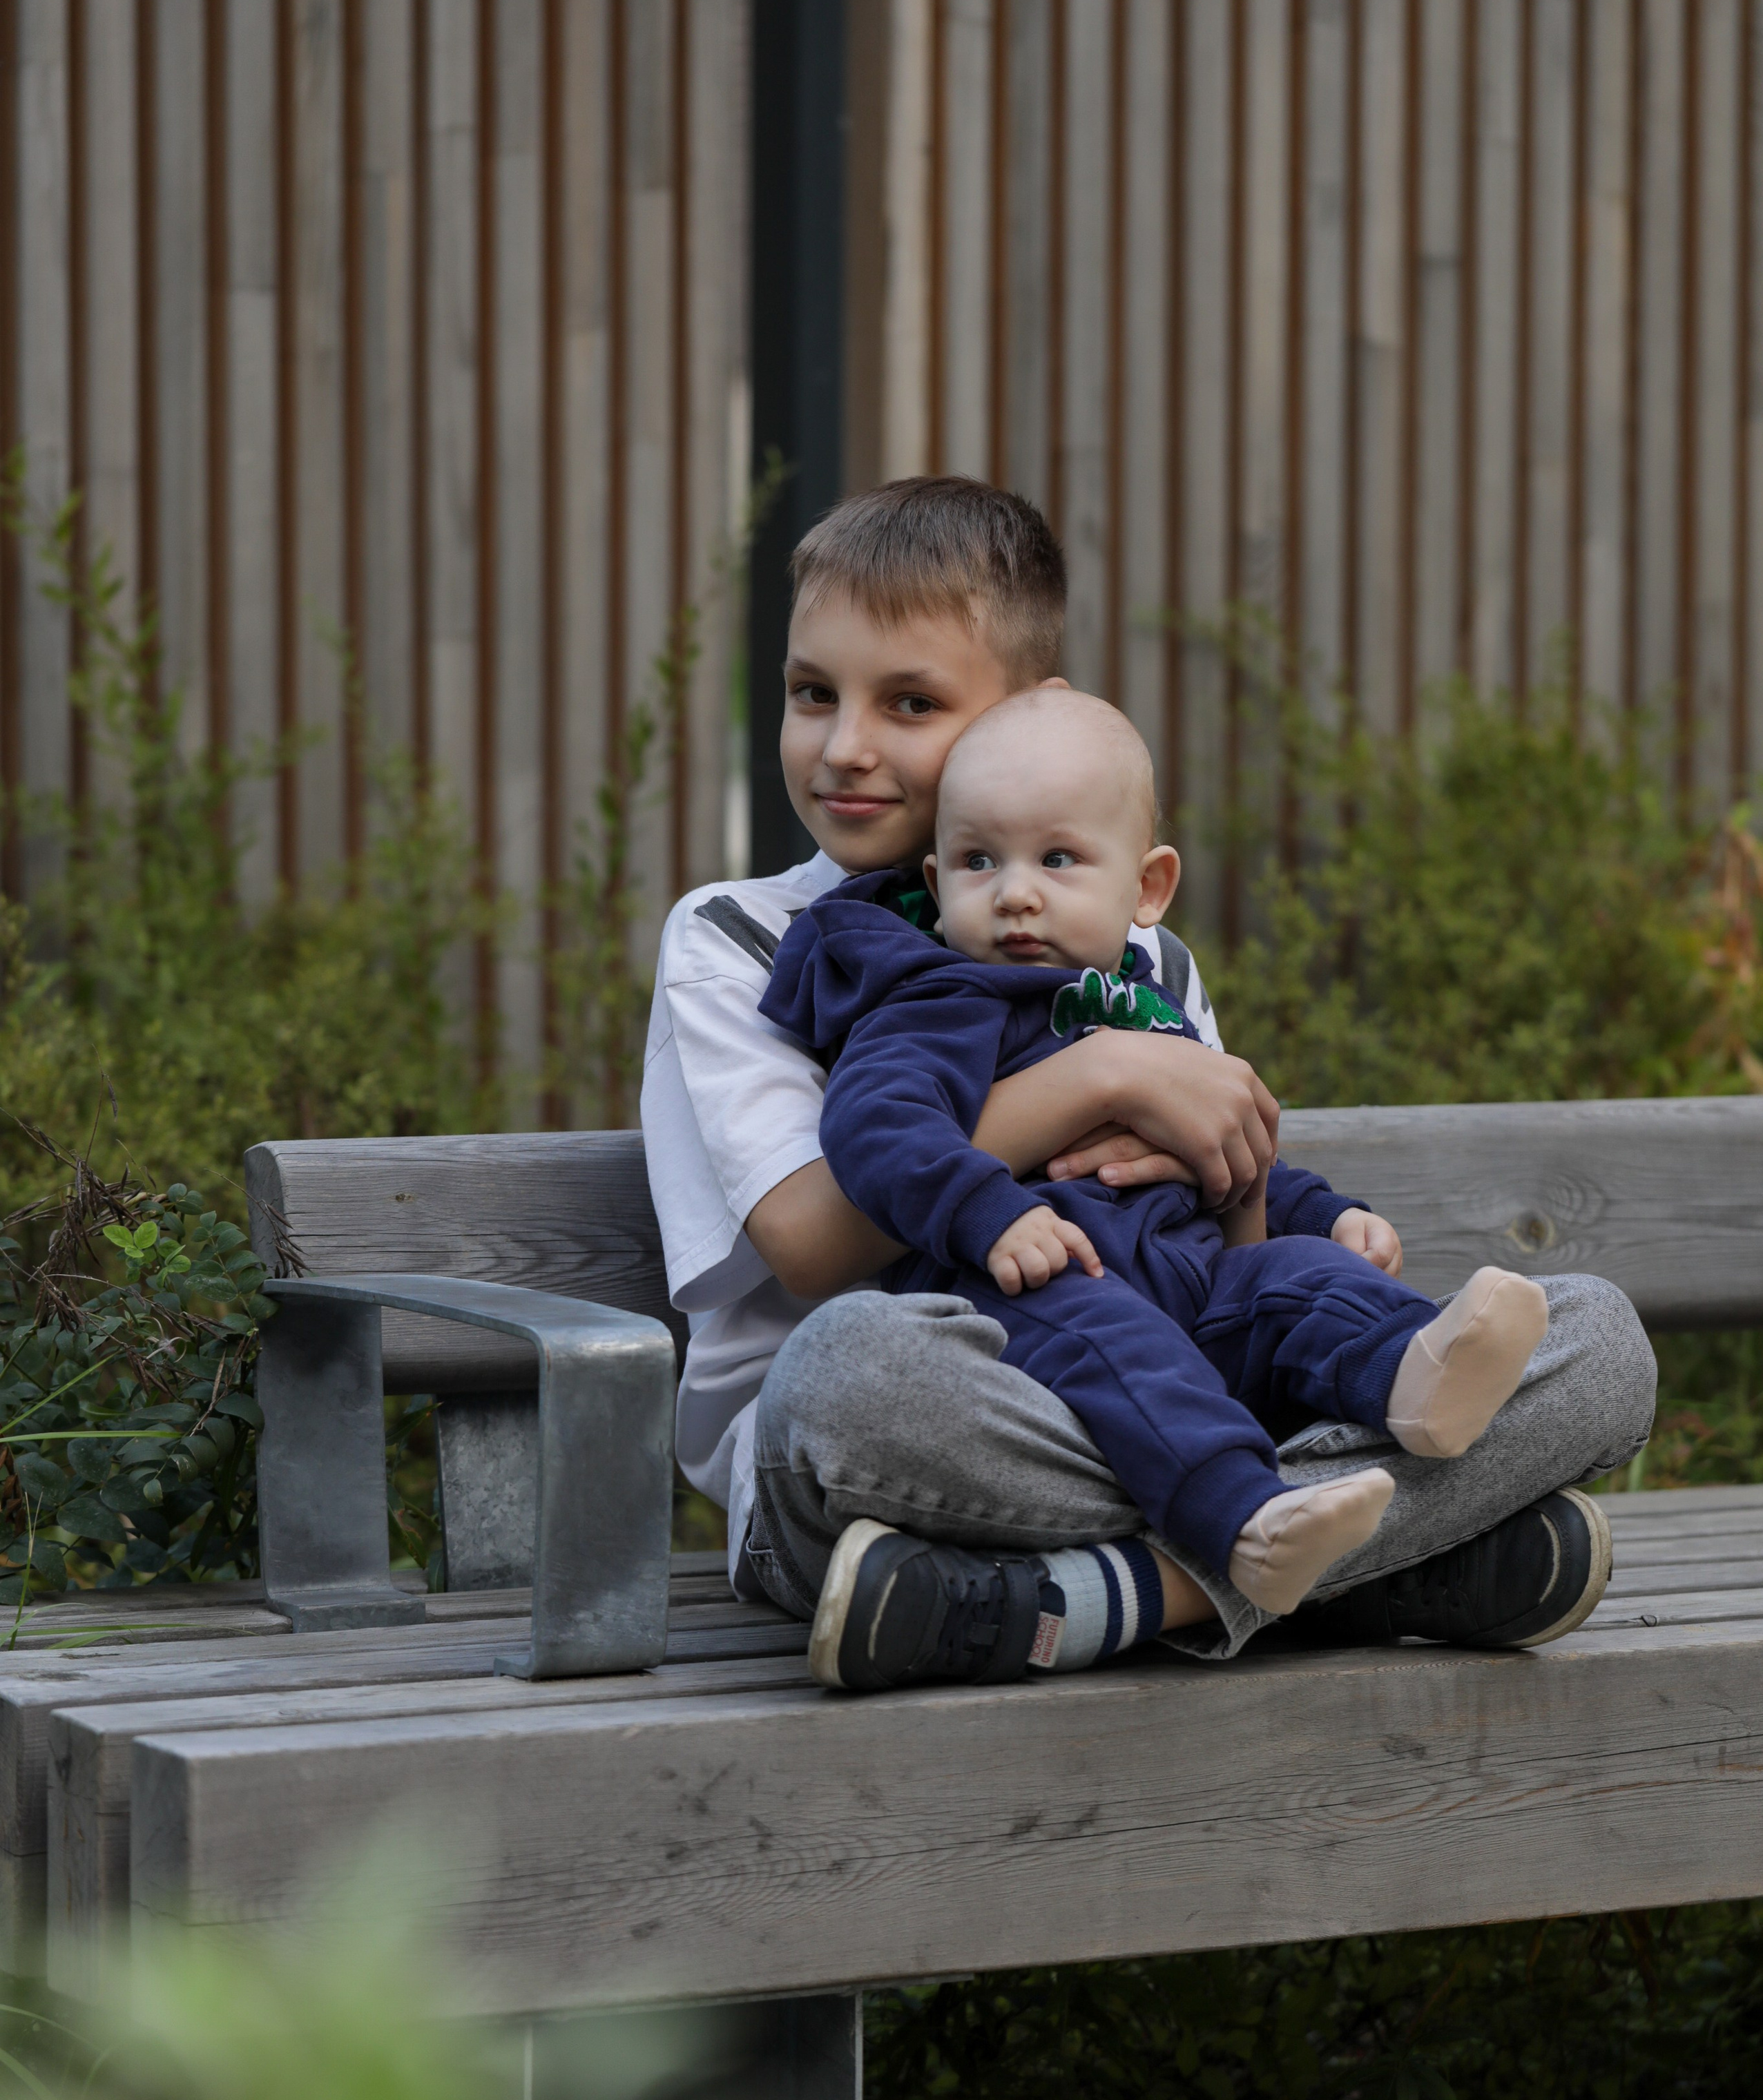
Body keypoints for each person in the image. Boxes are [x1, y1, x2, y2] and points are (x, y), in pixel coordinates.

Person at [639, 474, 1657, 1686]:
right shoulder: (745, 941)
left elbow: (1230, 1226)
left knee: (1601, 1343)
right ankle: (1360, 1566)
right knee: (852, 1368)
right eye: (814, 694)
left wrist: (1298, 1217)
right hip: (908, 1444)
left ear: (1036, 711)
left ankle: (1115, 1591)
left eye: (910, 702)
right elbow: (809, 1248)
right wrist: (1101, 1073)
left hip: (1161, 1379)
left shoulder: (1138, 947)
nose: (846, 745)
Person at [758, 687, 1558, 1685]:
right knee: (1025, 1351)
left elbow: (1228, 1166)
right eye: (978, 863)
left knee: (1323, 1285)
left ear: (1148, 888)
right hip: (1045, 1293)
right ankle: (1263, 1527)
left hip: (1192, 1289)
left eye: (1056, 860)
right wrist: (988, 1209)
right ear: (936, 876)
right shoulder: (939, 997)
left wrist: (1329, 1214)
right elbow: (877, 1129)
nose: (1015, 894)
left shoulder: (1153, 1001)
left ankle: (1414, 1381)